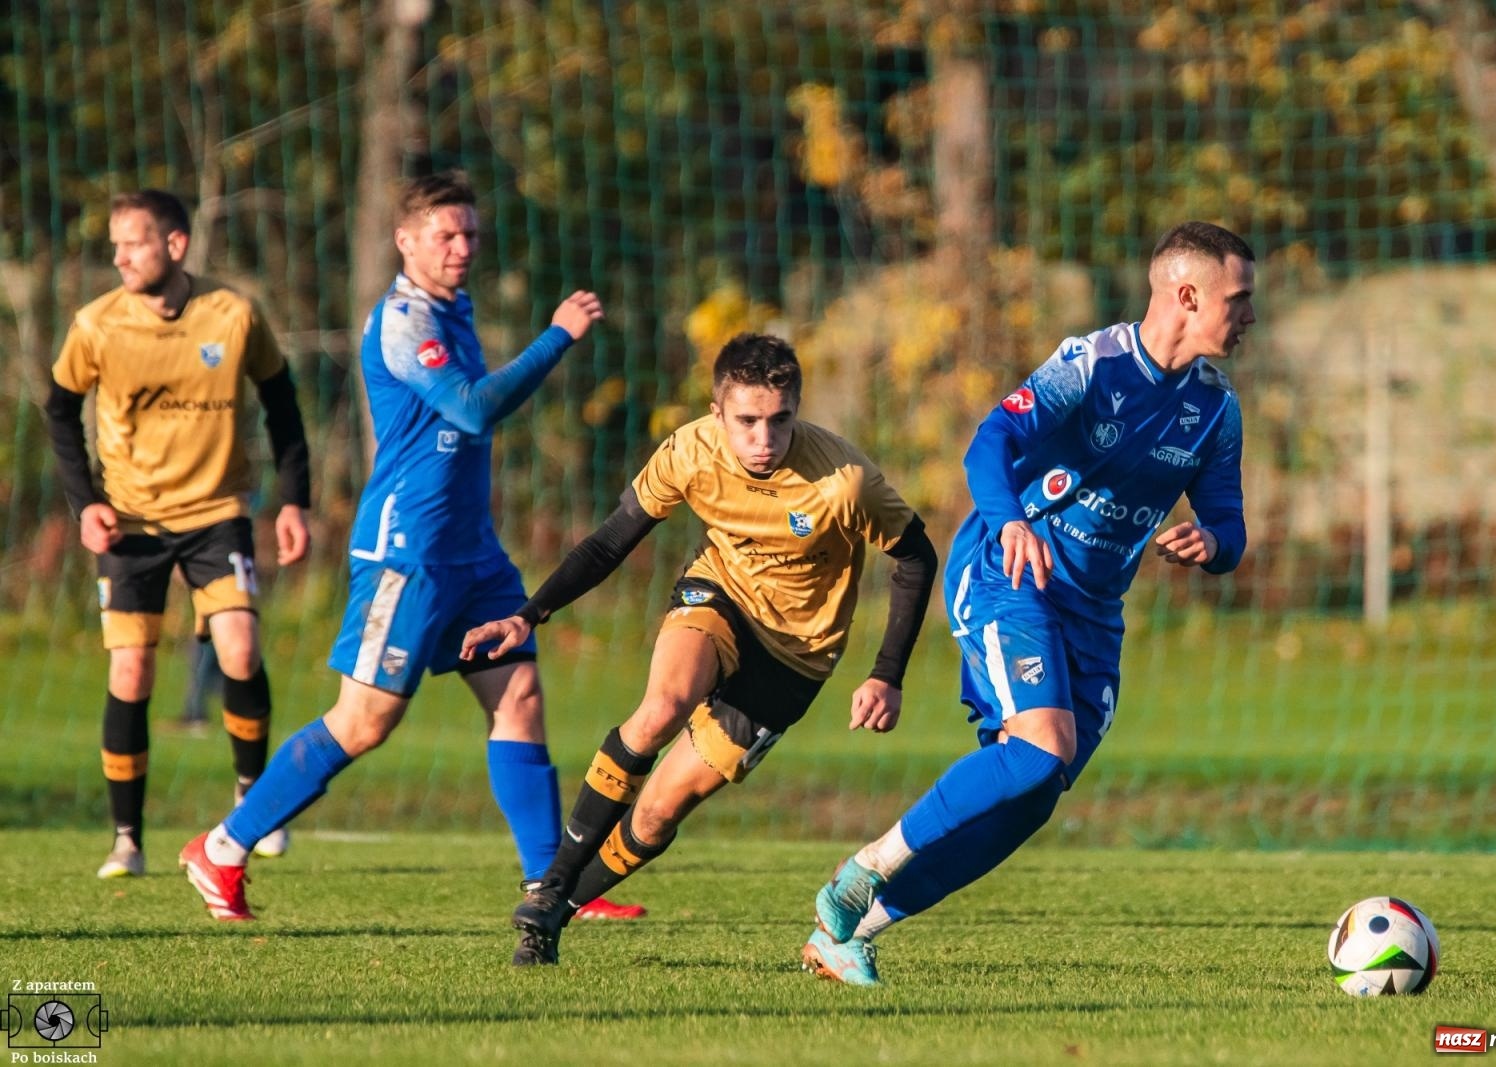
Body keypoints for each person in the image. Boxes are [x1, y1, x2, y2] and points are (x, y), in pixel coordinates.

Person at [800, 220, 1255, 986]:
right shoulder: (1092, 365)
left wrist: (1214, 542)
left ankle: (853, 930)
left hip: (1094, 614)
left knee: (1034, 789)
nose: (1249, 317)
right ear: (1187, 295)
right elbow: (988, 445)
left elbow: (1231, 521)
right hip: (1011, 573)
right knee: (1042, 745)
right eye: (1238, 300)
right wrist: (1012, 520)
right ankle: (862, 868)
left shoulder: (1216, 409)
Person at [177, 172, 639, 922]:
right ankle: (223, 846)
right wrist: (558, 335)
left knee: (519, 697)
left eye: (470, 235)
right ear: (405, 240)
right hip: (408, 554)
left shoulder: (455, 308)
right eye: (445, 235)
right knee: (364, 722)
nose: (462, 248)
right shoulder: (401, 321)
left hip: (474, 554)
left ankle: (551, 887)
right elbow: (473, 409)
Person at [460, 332, 940, 966]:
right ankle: (548, 886)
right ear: (717, 414)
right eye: (746, 422)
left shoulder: (843, 480)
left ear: (797, 409)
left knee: (659, 812)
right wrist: (529, 615)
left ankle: (557, 912)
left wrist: (887, 674)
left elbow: (916, 556)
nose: (763, 440)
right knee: (662, 706)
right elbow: (611, 541)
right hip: (720, 596)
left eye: (779, 421)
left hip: (796, 653)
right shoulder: (690, 451)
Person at [44, 188, 312, 880]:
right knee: (131, 670)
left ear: (175, 245)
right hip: (131, 522)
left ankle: (253, 804)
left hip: (216, 512)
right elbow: (58, 410)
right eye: (115, 245)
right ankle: (127, 839)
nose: (118, 256)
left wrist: (293, 501)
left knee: (241, 648)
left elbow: (281, 402)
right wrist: (85, 503)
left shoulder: (233, 312)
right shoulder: (97, 324)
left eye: (132, 242)